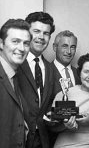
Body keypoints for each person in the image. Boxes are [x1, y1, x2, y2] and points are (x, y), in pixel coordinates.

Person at [17, 11, 57, 148]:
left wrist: (52, 115)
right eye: (36, 31)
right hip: (16, 138)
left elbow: (48, 102)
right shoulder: (13, 62)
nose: (41, 37)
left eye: (46, 33)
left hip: (42, 140)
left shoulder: (51, 68)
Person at [0, 19, 31, 148]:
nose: (22, 48)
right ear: (1, 43)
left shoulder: (15, 76)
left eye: (26, 43)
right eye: (15, 42)